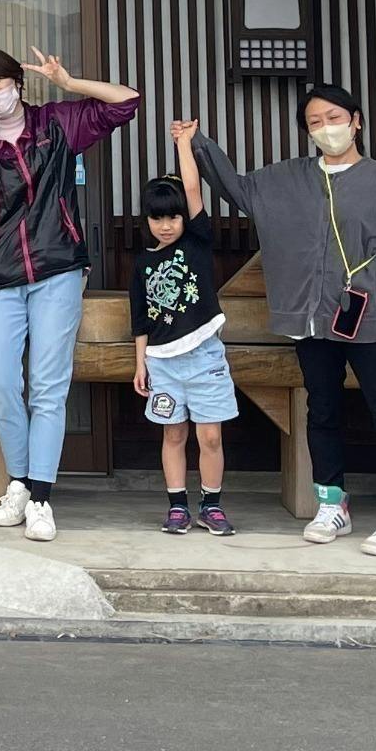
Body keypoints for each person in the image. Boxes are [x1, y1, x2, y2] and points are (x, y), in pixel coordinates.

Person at [190, 82, 376, 557]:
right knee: (322, 409)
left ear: (356, 121)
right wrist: (197, 143)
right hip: (312, 319)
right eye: (315, 122)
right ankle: (332, 504)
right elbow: (238, 188)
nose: (326, 128)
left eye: (334, 118)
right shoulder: (289, 178)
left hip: (371, 318)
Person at [0, 47, 140, 544]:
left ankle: (40, 498)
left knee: (49, 385)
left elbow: (127, 102)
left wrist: (70, 83)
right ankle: (20, 482)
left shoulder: (56, 123)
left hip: (57, 268)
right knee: (2, 380)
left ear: (18, 81)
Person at [135, 121, 239, 538]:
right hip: (162, 363)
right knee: (174, 434)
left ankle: (211, 505)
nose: (165, 225)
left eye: (173, 216)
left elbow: (193, 189)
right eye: (157, 218)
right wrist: (139, 364)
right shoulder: (143, 263)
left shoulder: (196, 241)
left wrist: (183, 143)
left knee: (210, 437)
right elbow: (140, 318)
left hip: (205, 359)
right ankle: (177, 506)